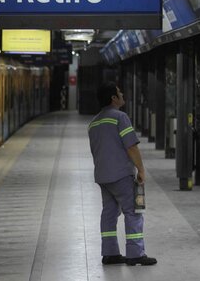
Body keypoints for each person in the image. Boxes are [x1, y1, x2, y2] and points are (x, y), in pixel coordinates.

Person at [88, 82, 157, 266]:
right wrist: (141, 170)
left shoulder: (93, 122)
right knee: (133, 212)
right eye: (119, 92)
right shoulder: (120, 117)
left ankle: (110, 253)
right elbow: (131, 146)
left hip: (103, 176)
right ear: (113, 98)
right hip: (121, 174)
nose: (122, 94)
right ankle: (135, 254)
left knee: (109, 213)